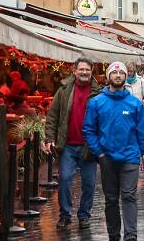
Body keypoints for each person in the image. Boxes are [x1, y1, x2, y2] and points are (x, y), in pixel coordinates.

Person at [83, 62, 144, 241]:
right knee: (111, 199)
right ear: (108, 77)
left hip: (130, 156)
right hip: (107, 157)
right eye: (114, 73)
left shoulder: (134, 103)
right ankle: (114, 235)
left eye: (121, 72)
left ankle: (131, 236)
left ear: (125, 77)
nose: (118, 75)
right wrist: (99, 152)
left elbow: (142, 131)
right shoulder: (96, 102)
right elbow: (89, 130)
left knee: (129, 195)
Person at [43, 57, 102, 229]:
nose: (84, 72)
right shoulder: (64, 89)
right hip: (67, 144)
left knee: (89, 184)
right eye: (81, 69)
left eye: (87, 70)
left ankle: (84, 215)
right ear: (74, 70)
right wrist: (49, 138)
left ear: (92, 72)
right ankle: (65, 215)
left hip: (88, 146)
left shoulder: (99, 92)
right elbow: (53, 115)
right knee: (65, 180)